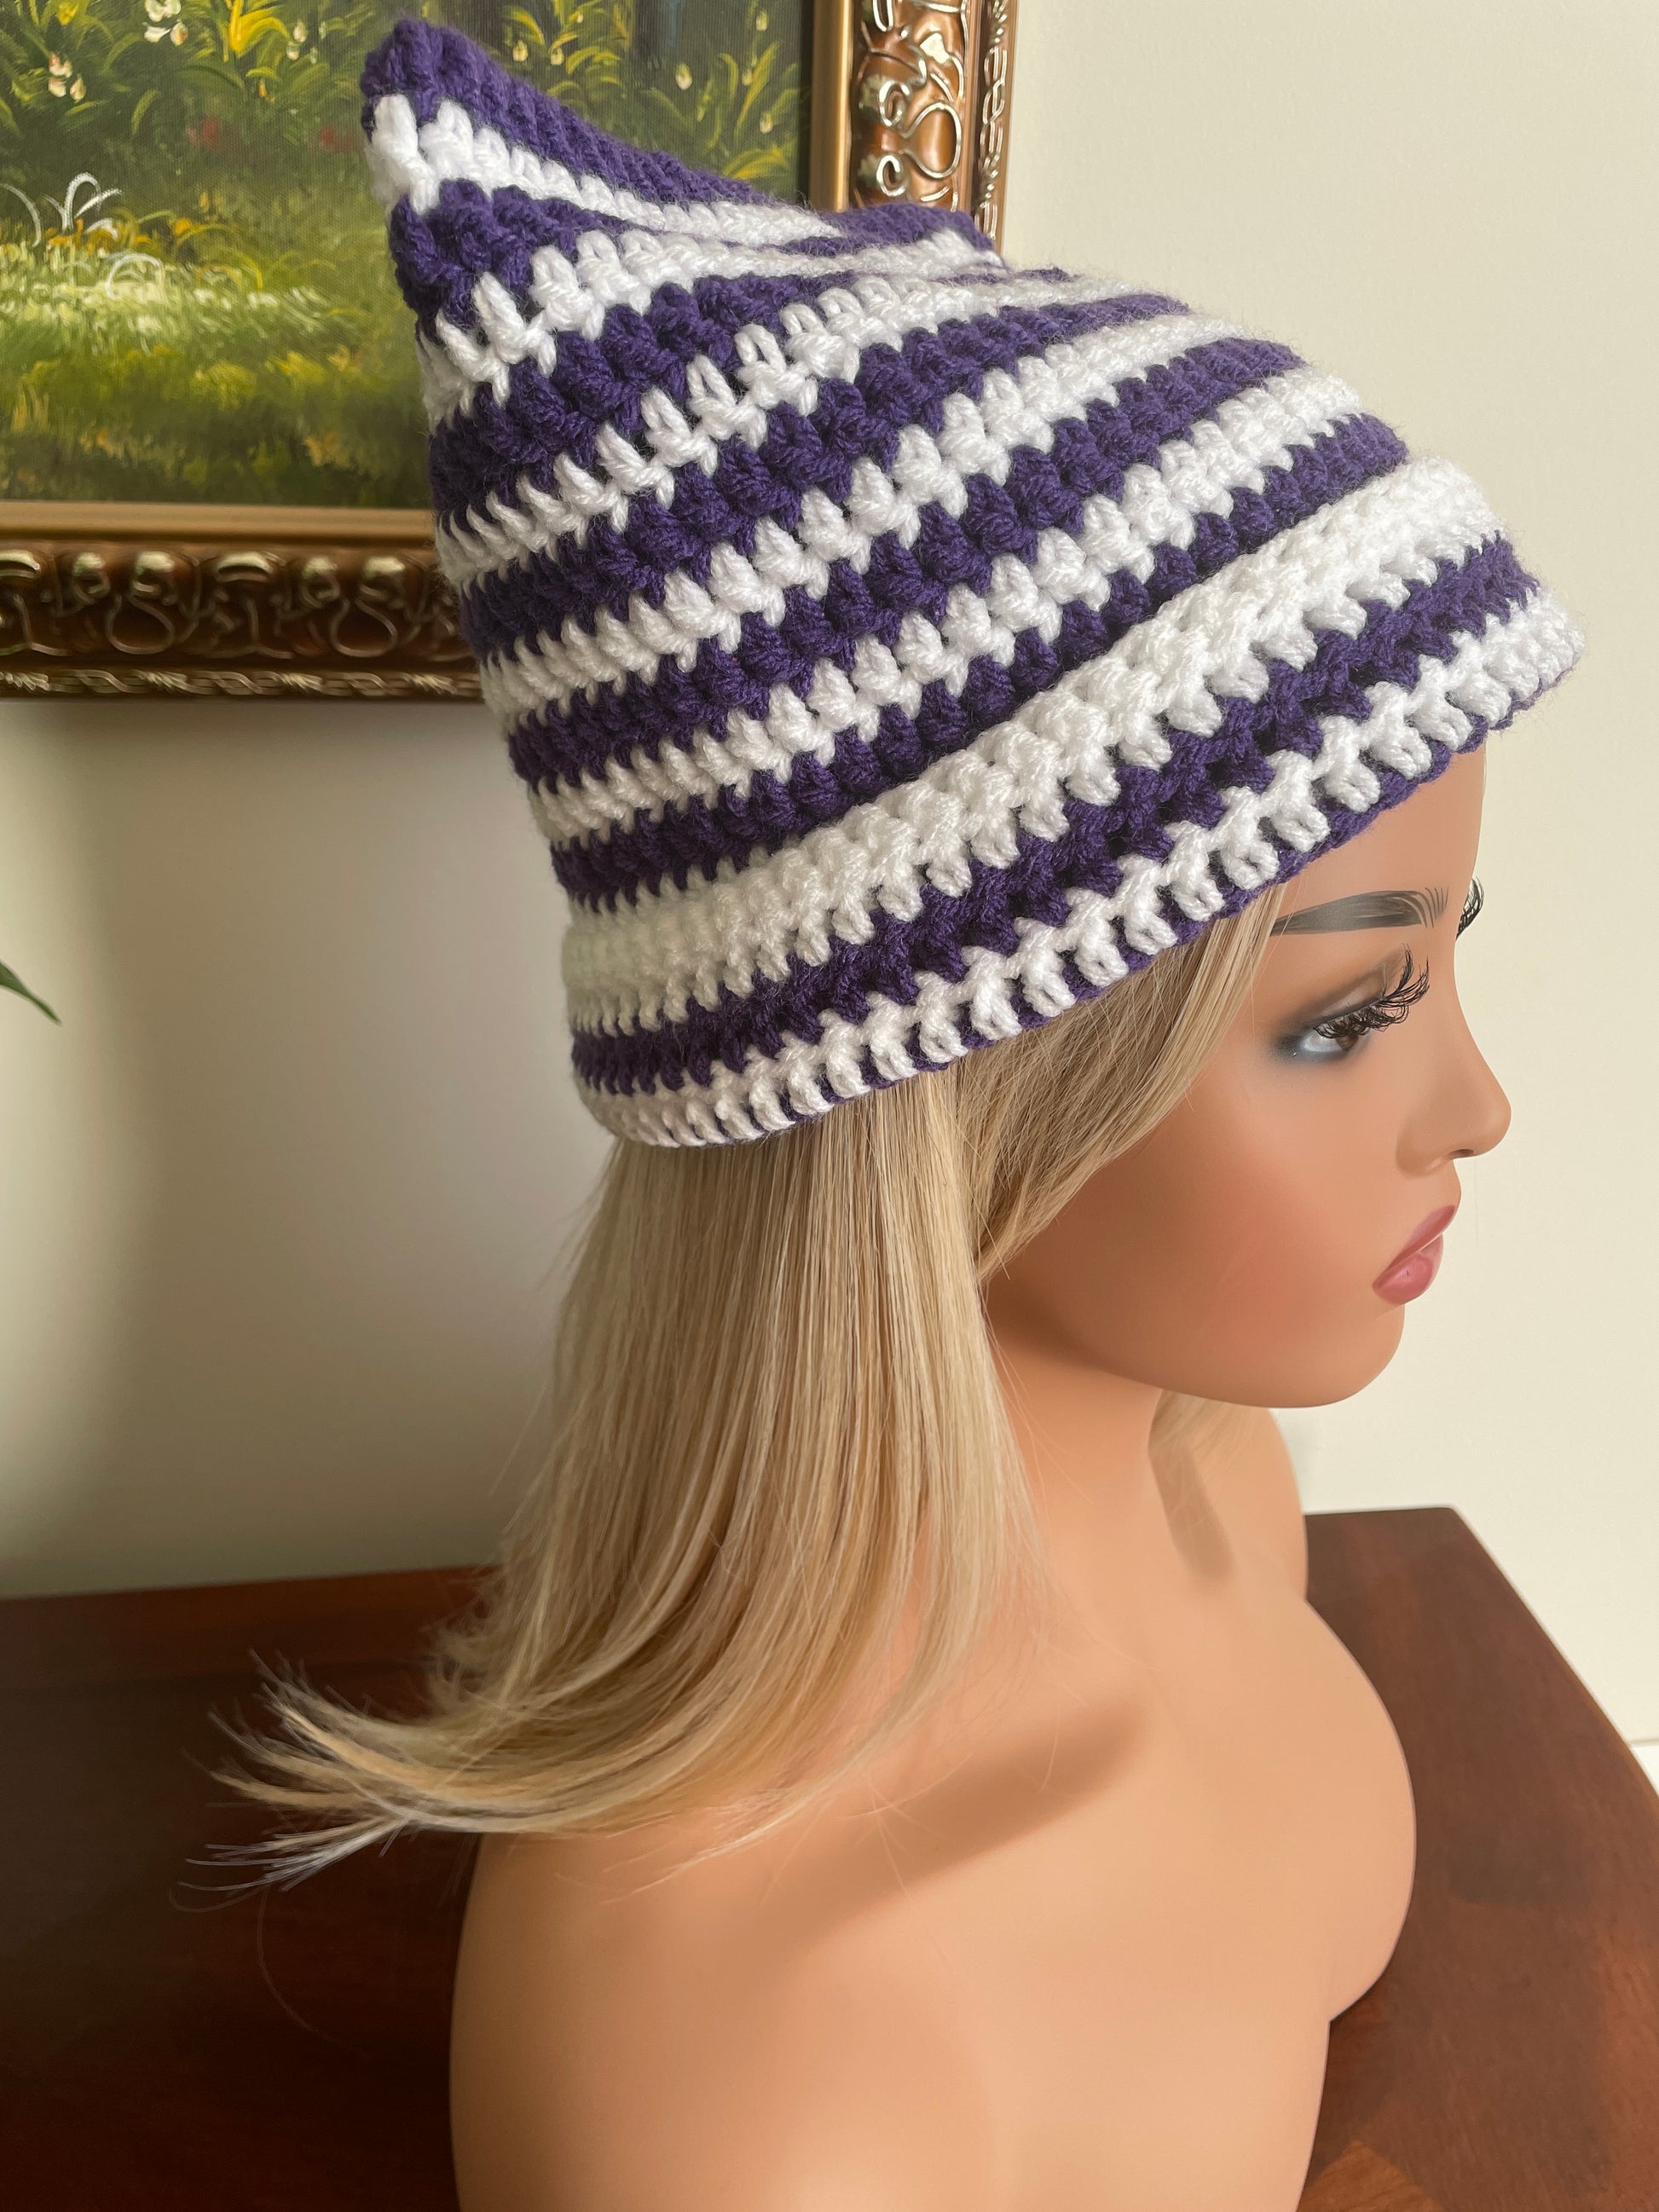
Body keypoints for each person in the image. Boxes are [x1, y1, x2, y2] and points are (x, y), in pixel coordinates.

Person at [232, 22, 1584, 2207]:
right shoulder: (746, 2077)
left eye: (1449, 958)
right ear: (941, 1090)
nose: (1481, 1105)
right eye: (1349, 1013)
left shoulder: (1225, 1487)